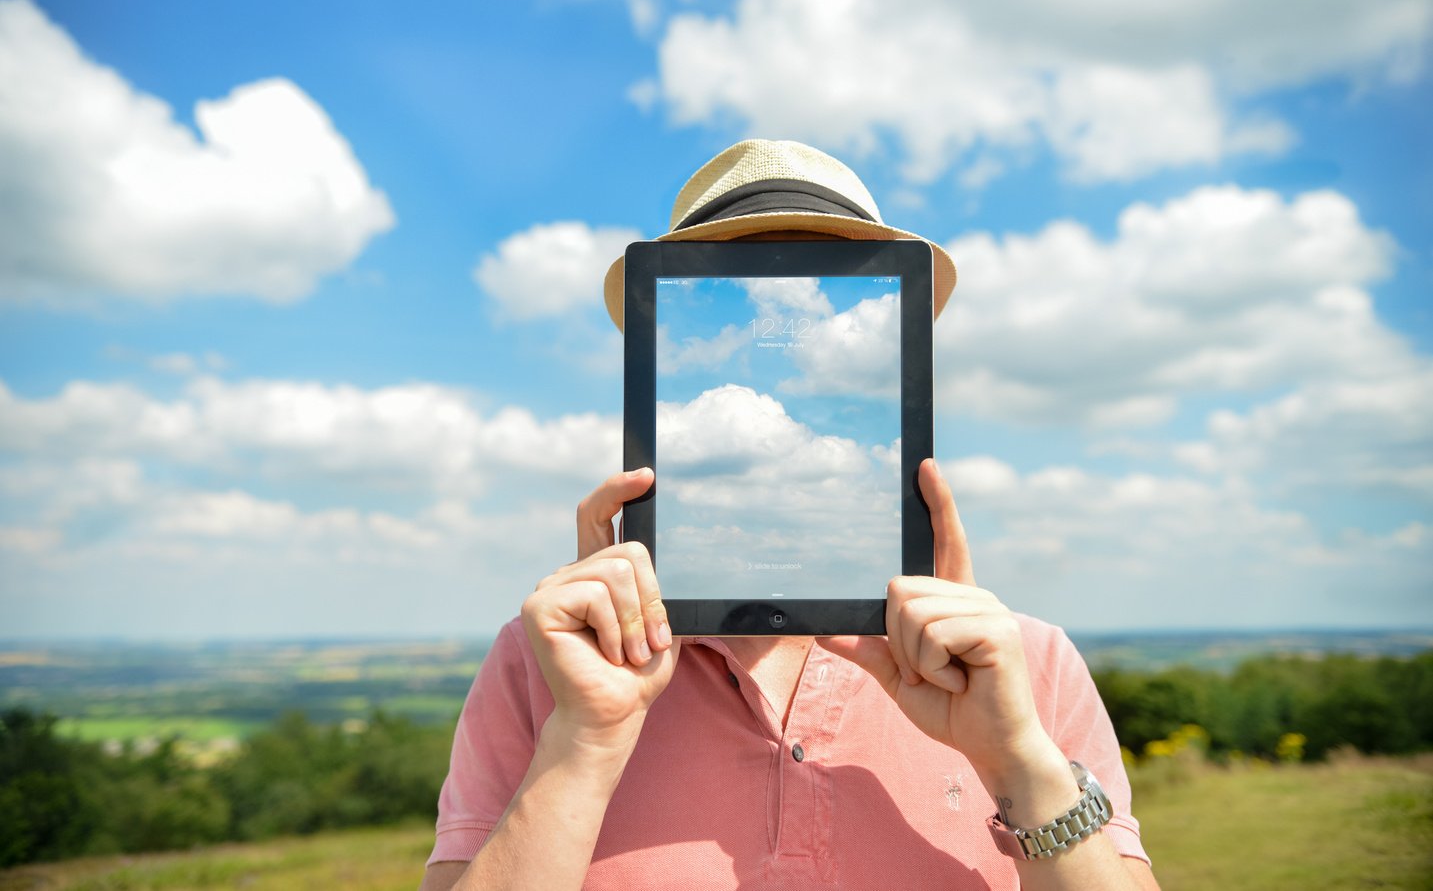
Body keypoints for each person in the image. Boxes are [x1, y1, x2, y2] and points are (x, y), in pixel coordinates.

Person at [420, 141, 1160, 890]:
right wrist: (581, 743)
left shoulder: (1027, 666)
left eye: (844, 303)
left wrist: (1016, 760)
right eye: (722, 300)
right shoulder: (541, 665)